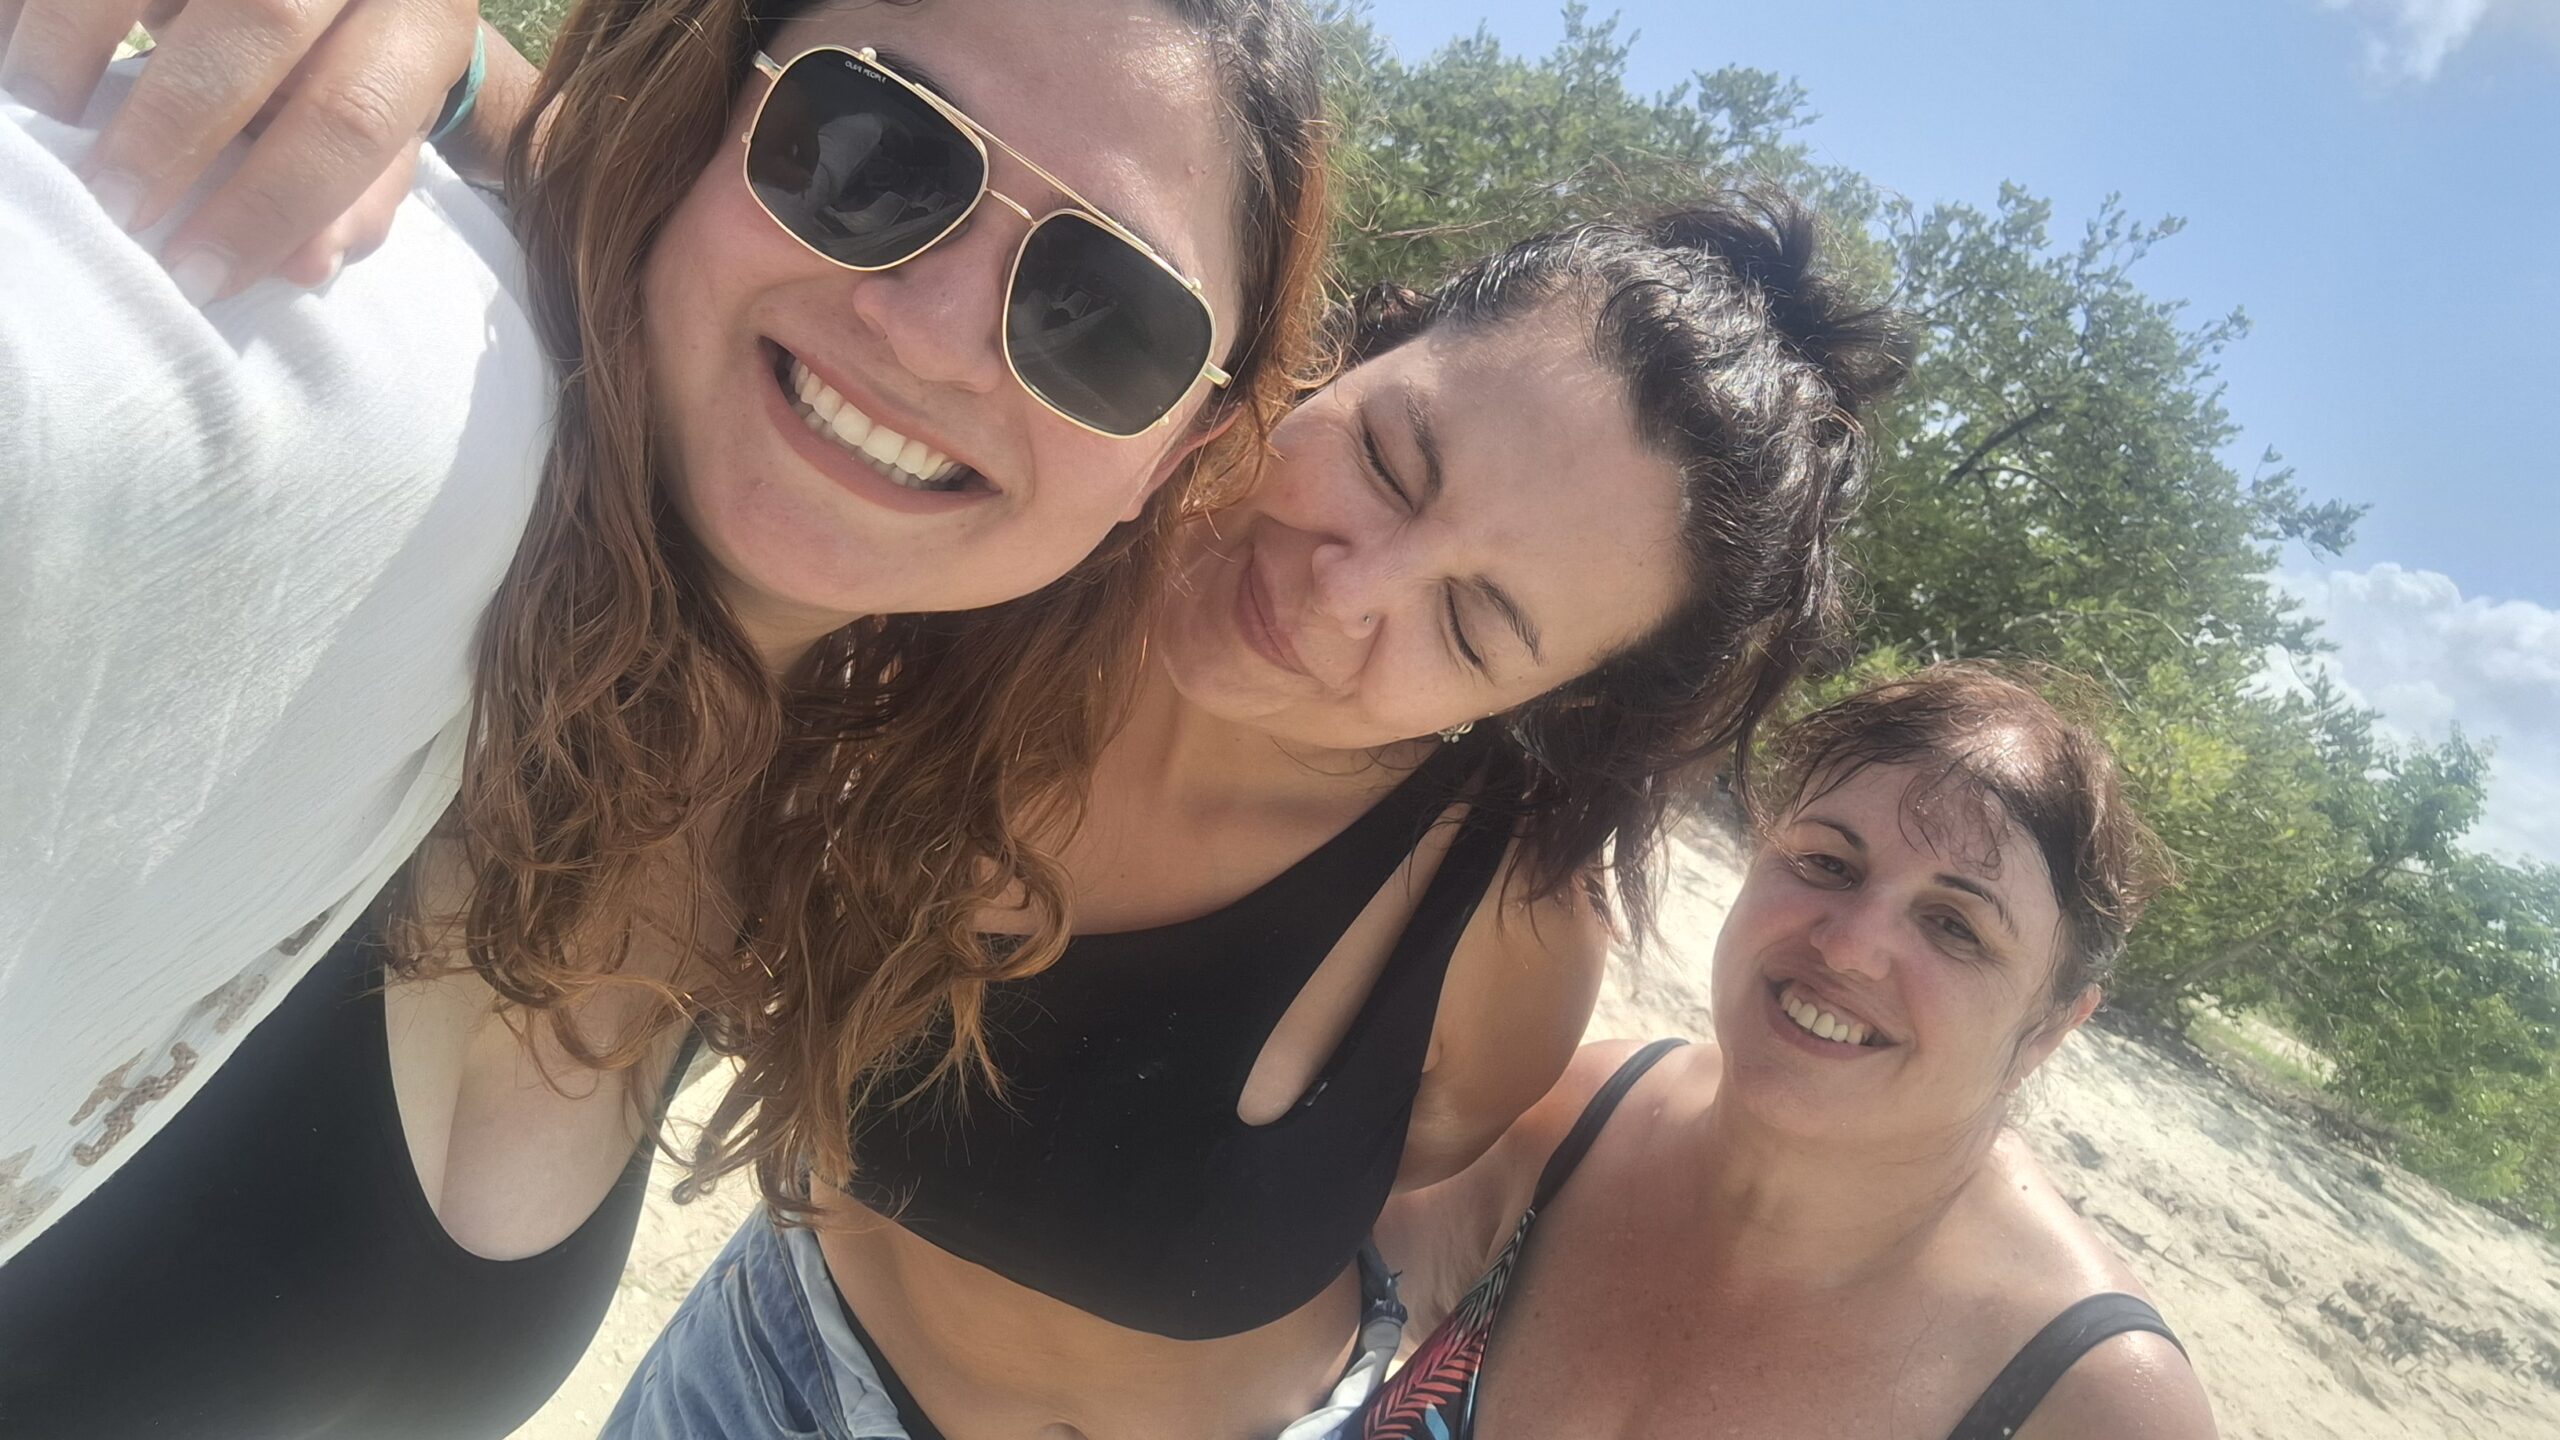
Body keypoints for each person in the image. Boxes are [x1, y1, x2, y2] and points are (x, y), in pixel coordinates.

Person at [0, 0, 1328, 1434]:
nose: (934, 335)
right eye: (876, 149)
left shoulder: (805, 814)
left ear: (1169, 457)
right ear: (704, 113)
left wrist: (480, 82)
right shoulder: (353, 402)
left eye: (1106, 317)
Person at [607, 200, 1913, 1440]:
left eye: (1471, 625)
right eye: (1392, 462)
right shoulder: (997, 536)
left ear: (1550, 703)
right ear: (1362, 346)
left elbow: (1411, 1158)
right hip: (760, 1372)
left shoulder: (1498, 922)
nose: (1347, 592)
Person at [1350, 664, 2222, 1440]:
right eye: (1829, 863)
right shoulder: (1584, 1118)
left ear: (2049, 1028)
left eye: (1954, 925)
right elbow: (1296, 1297)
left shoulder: (2088, 1399)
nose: (1849, 946)